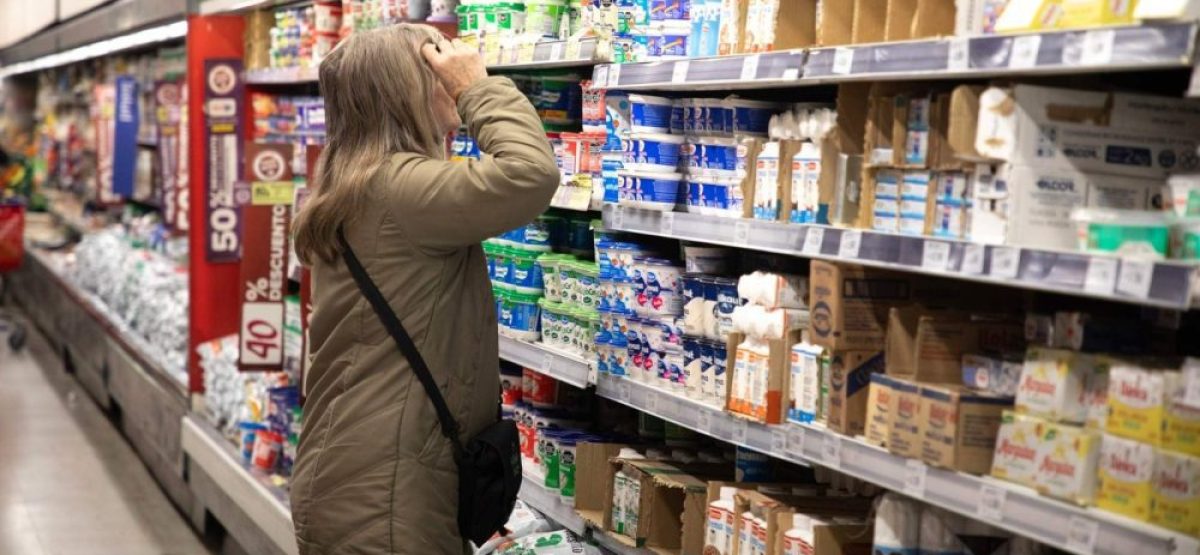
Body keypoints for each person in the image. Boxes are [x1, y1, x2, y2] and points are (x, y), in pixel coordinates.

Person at [289, 23, 559, 555]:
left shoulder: (357, 181)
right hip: (384, 487)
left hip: (365, 467)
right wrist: (475, 88)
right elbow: (530, 175)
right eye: (435, 67)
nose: (448, 75)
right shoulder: (401, 188)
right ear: (407, 90)